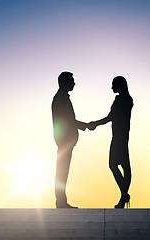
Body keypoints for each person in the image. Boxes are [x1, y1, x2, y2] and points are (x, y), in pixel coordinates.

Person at [88, 76, 133, 208]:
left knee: (115, 164)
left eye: (113, 85)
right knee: (123, 165)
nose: (112, 87)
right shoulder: (127, 99)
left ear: (119, 85)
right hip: (122, 135)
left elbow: (111, 117)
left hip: (119, 136)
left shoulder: (122, 99)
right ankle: (123, 195)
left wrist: (95, 123)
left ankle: (124, 195)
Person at [52, 71, 87, 208]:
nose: (74, 83)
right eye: (72, 81)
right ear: (65, 82)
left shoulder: (62, 98)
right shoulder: (61, 98)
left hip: (65, 141)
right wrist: (85, 126)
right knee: (62, 170)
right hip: (64, 141)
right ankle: (61, 201)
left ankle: (61, 200)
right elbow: (67, 120)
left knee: (62, 170)